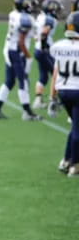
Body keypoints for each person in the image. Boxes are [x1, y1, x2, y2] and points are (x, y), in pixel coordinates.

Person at [0, 0, 41, 121]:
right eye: (30, 4)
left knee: (10, 81)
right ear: (25, 5)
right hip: (17, 52)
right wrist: (28, 56)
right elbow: (21, 42)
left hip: (9, 49)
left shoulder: (14, 14)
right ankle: (27, 112)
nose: (32, 6)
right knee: (23, 80)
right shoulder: (25, 19)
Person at [49, 11, 79, 177]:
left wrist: (52, 96)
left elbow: (56, 73)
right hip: (78, 91)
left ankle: (66, 160)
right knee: (78, 130)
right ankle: (75, 164)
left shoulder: (59, 46)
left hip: (63, 91)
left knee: (76, 126)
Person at [32, 0, 63, 109]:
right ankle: (53, 100)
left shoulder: (41, 17)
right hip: (45, 51)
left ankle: (38, 100)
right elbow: (45, 32)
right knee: (57, 75)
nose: (58, 12)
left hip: (38, 50)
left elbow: (37, 35)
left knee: (43, 76)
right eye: (57, 9)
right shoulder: (49, 19)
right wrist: (45, 46)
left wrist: (40, 41)